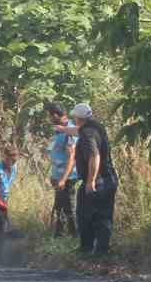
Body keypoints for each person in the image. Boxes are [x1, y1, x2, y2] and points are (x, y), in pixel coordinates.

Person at [71, 103, 118, 256]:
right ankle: (102, 251)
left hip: (98, 181)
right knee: (104, 216)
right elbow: (76, 131)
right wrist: (62, 129)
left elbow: (94, 156)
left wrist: (90, 181)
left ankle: (87, 249)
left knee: (86, 215)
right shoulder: (97, 127)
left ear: (78, 118)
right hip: (109, 179)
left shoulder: (87, 134)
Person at [44, 100, 80, 238]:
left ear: (55, 115)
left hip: (67, 178)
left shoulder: (69, 131)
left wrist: (63, 179)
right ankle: (59, 236)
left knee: (70, 208)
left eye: (49, 116)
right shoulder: (59, 130)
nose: (49, 119)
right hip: (58, 176)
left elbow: (72, 158)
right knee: (59, 208)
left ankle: (75, 237)